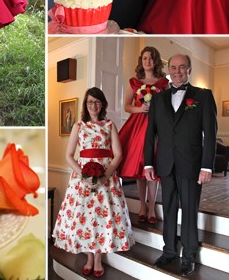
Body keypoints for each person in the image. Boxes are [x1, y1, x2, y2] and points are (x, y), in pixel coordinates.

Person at [144, 54, 217, 277]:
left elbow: (210, 134)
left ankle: (189, 256)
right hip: (165, 164)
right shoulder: (158, 99)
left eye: (182, 67)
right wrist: (148, 162)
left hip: (191, 165)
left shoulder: (203, 96)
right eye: (173, 67)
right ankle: (169, 252)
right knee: (167, 209)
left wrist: (207, 166)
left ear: (189, 69)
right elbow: (150, 134)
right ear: (169, 70)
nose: (177, 71)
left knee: (189, 211)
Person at [53, 87, 134, 277]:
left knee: (101, 218)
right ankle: (89, 257)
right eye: (90, 102)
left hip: (106, 178)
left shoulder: (109, 125)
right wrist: (83, 175)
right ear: (85, 104)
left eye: (97, 102)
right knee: (86, 218)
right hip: (82, 180)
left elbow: (119, 154)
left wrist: (105, 176)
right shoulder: (78, 126)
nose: (93, 105)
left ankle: (97, 259)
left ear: (102, 104)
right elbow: (69, 155)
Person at [119, 46, 169, 223]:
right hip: (139, 126)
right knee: (140, 165)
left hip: (158, 127)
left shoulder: (163, 83)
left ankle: (152, 207)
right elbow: (126, 106)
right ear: (141, 61)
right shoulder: (134, 82)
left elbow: (169, 106)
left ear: (156, 61)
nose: (148, 62)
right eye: (145, 58)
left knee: (153, 165)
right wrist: (141, 108)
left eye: (152, 58)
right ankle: (142, 205)